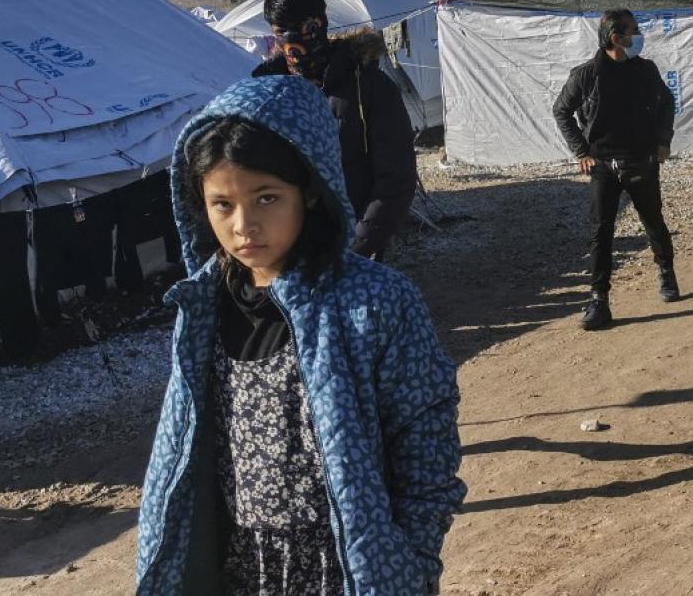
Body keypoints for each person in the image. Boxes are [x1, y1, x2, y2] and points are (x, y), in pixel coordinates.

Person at [136, 76, 465, 594]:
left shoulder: (374, 301)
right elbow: (182, 446)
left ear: (310, 190)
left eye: (266, 198)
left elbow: (425, 437)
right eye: (222, 204)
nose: (244, 225)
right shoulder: (201, 306)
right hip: (240, 565)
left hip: (347, 564)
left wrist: (414, 558)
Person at [254, 0, 416, 259]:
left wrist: (355, 251)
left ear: (323, 23)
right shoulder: (265, 92)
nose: (293, 41)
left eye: (305, 28)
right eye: (281, 32)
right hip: (286, 249)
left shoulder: (369, 86)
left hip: (352, 245)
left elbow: (395, 181)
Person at [553, 9, 678, 331]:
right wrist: (581, 151)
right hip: (603, 167)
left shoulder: (646, 70)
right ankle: (599, 300)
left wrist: (663, 140)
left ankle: (666, 272)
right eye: (633, 31)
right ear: (616, 37)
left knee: (653, 220)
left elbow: (667, 102)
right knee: (601, 232)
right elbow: (562, 110)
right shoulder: (587, 75)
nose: (639, 36)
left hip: (641, 161)